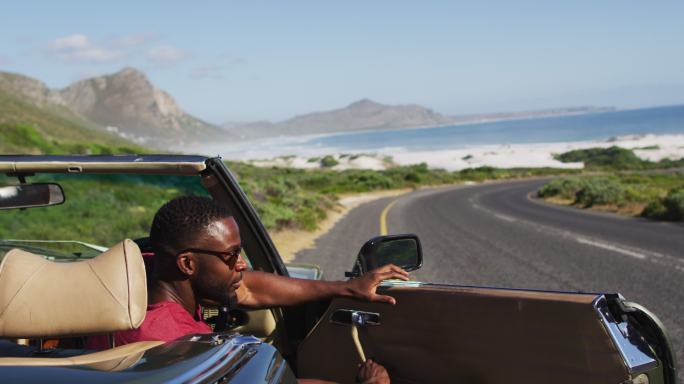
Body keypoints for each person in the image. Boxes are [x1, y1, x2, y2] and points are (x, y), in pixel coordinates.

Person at [95, 195, 408, 384]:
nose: (242, 265)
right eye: (230, 256)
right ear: (188, 264)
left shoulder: (149, 269)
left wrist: (349, 288)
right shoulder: (177, 347)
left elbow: (249, 289)